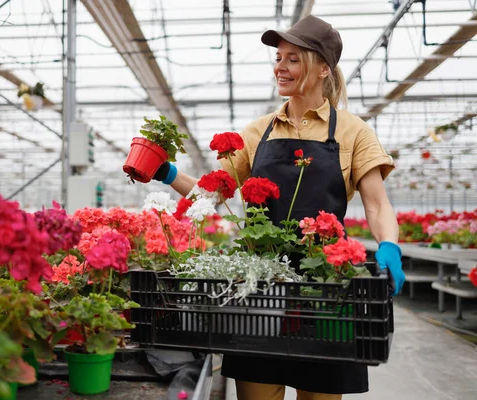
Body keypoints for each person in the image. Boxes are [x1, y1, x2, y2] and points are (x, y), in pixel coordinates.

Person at [149, 15, 405, 400]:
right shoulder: (258, 132)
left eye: (293, 59)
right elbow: (211, 194)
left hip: (325, 289)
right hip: (261, 292)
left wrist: (390, 247)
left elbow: (377, 203)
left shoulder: (352, 131)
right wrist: (167, 172)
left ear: (322, 68)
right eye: (278, 57)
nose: (280, 67)